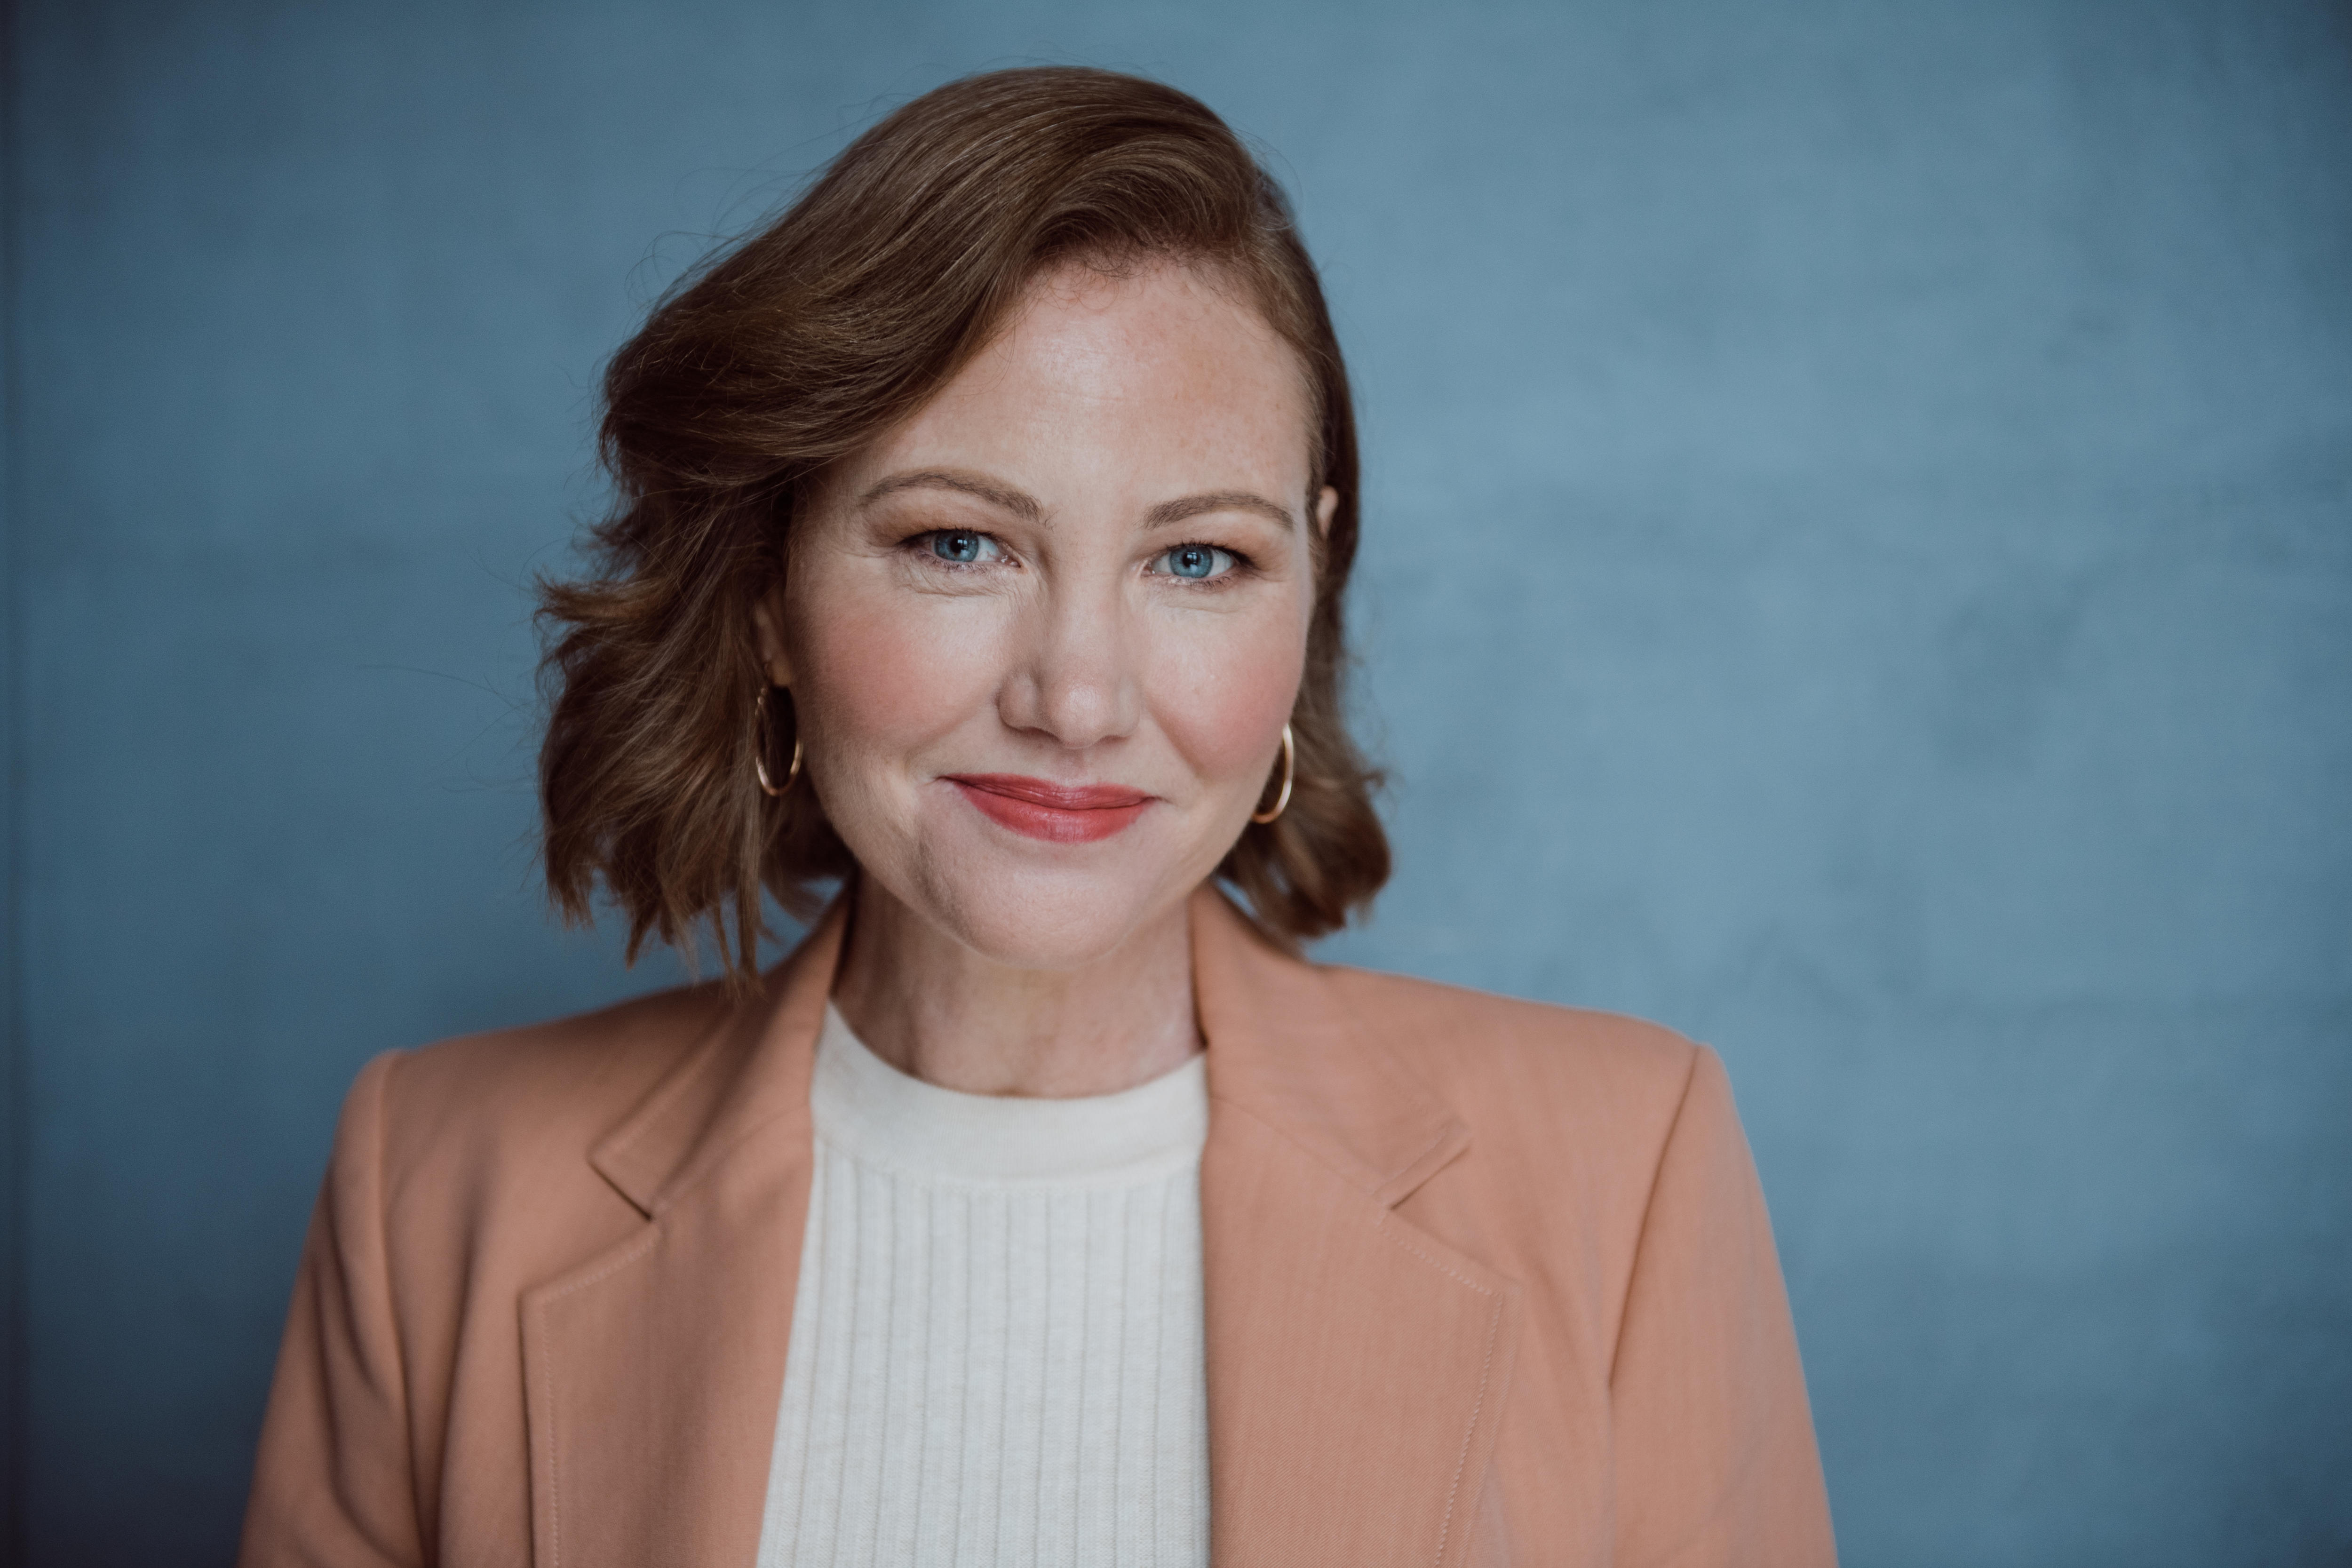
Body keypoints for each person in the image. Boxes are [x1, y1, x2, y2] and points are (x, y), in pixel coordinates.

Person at [239, 66, 1835, 1568]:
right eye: (958, 544)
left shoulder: (1629, 1171)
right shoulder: (432, 1187)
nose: (1077, 700)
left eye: (1199, 560)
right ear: (776, 595)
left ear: (1312, 574)